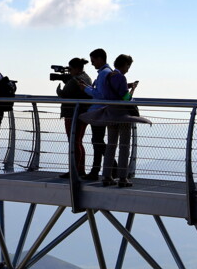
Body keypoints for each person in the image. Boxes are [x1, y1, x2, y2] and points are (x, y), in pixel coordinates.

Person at [101, 54, 139, 187]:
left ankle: (106, 176)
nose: (128, 69)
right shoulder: (121, 77)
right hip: (122, 115)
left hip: (110, 113)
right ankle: (123, 178)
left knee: (110, 146)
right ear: (125, 65)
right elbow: (126, 98)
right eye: (128, 66)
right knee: (124, 146)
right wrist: (132, 89)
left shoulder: (108, 76)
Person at [55, 57, 92, 178]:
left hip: (73, 114)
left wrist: (59, 90)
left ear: (76, 68)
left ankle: (74, 170)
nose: (69, 71)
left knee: (74, 143)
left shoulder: (76, 79)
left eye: (70, 69)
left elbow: (65, 94)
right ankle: (79, 170)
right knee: (78, 142)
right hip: (82, 113)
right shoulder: (86, 78)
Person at [82, 48, 112, 181]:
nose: (92, 64)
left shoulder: (104, 73)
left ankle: (105, 168)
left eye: (93, 61)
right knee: (97, 141)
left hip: (99, 111)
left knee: (97, 141)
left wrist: (86, 89)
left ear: (100, 59)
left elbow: (101, 95)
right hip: (102, 111)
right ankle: (99, 169)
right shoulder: (107, 72)